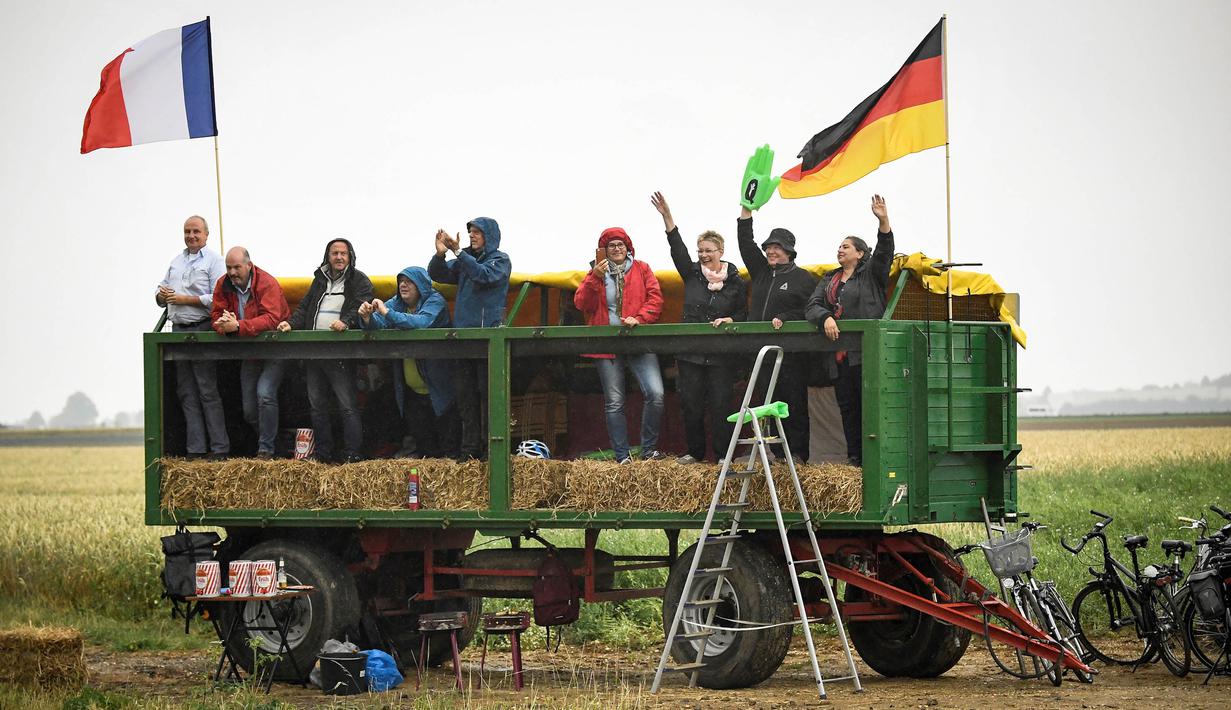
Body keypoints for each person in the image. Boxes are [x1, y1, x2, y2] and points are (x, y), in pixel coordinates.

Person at [650, 192, 748, 464]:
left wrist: (732, 321)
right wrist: (668, 217)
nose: (704, 255)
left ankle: (722, 456)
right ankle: (694, 452)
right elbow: (676, 249)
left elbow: (743, 313)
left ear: (721, 252)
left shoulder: (737, 282)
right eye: (701, 251)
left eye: (709, 250)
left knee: (720, 407)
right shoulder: (692, 274)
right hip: (691, 353)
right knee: (691, 405)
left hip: (720, 356)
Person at [805, 195, 894, 466]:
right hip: (839, 357)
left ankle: (873, 462)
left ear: (860, 253)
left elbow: (884, 252)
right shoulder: (829, 278)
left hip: (866, 355)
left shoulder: (872, 274)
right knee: (847, 408)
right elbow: (812, 305)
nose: (840, 250)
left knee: (870, 408)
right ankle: (855, 459)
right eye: (839, 247)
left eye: (846, 246)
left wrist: (883, 221)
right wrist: (825, 319)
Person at [573, 227, 666, 464]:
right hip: (607, 345)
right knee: (614, 402)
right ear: (603, 250)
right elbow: (582, 303)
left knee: (656, 393)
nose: (616, 249)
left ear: (628, 248)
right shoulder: (595, 273)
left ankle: (648, 450)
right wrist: (594, 277)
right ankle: (622, 456)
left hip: (639, 341)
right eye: (611, 245)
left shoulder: (642, 268)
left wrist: (640, 318)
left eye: (620, 245)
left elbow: (655, 299)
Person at [278, 238, 374, 463]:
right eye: (334, 253)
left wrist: (346, 322)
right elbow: (304, 307)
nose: (339, 257)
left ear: (350, 256)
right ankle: (323, 454)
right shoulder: (319, 279)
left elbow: (362, 303)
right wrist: (290, 323)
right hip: (314, 352)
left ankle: (353, 453)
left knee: (347, 405)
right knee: (317, 406)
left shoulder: (359, 280)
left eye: (343, 253)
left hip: (340, 352)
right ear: (328, 256)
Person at [737, 204, 818, 463]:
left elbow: (811, 311)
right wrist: (745, 213)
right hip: (760, 355)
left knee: (792, 404)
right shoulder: (761, 273)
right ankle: (774, 454)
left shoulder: (804, 279)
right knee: (765, 406)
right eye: (769, 247)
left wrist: (786, 318)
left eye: (777, 247)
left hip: (791, 355)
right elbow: (745, 243)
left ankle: (797, 455)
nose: (771, 251)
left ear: (789, 252)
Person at [428, 217, 511, 461]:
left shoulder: (500, 260)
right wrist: (441, 255)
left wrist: (457, 252)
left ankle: (489, 451)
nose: (472, 236)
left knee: (487, 397)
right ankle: (469, 451)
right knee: (466, 398)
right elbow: (438, 274)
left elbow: (483, 275)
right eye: (471, 232)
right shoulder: (466, 259)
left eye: (477, 232)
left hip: (488, 341)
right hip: (464, 339)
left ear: (490, 235)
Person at [359, 266, 459, 458]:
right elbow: (379, 324)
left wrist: (387, 313)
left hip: (441, 390)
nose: (403, 285)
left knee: (448, 448)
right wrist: (367, 317)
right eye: (401, 281)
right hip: (411, 392)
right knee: (424, 449)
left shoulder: (434, 300)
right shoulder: (397, 303)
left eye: (409, 281)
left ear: (421, 284)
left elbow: (420, 323)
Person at [156, 215, 229, 460]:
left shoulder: (214, 261)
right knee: (186, 391)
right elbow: (159, 293)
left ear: (206, 235)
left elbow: (218, 298)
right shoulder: (176, 262)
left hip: (203, 329)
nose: (191, 236)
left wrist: (185, 300)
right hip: (178, 330)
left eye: (196, 231)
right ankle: (195, 449)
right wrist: (162, 296)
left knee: (207, 390)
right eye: (187, 231)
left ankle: (219, 449)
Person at [211, 247, 291, 459]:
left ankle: (266, 450)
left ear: (249, 265)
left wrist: (238, 326)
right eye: (229, 267)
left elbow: (272, 318)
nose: (232, 272)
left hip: (275, 349)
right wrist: (223, 326)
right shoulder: (222, 284)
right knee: (248, 409)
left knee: (265, 394)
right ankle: (277, 444)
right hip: (250, 351)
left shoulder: (267, 283)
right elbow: (216, 315)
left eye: (237, 267)